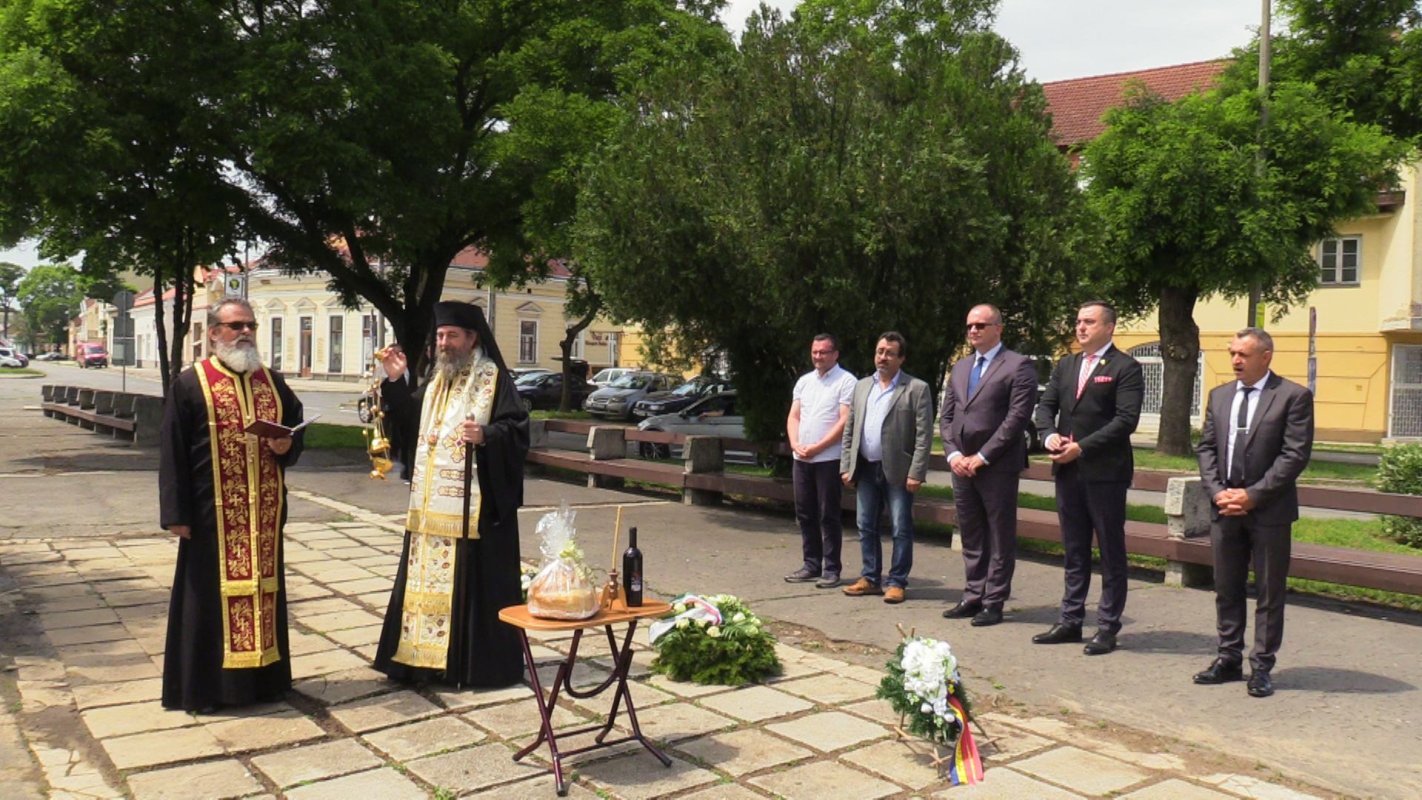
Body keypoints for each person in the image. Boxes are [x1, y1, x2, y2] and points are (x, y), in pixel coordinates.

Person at [373, 301, 529, 687]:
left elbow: (519, 429)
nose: (444, 343)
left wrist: (487, 435)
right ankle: (419, 662)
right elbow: (409, 428)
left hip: (474, 512)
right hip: (429, 510)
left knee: (472, 587)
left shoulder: (492, 378)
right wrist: (396, 382)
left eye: (451, 336)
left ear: (472, 338)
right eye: (440, 336)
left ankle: (467, 665)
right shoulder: (436, 380)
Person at [159, 298, 304, 712]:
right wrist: (175, 514)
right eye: (235, 325)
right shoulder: (191, 382)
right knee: (207, 600)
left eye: (250, 326)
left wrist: (286, 445)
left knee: (264, 593)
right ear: (213, 333)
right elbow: (172, 451)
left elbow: (294, 427)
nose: (244, 332)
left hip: (263, 514)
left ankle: (264, 681)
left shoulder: (271, 381)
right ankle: (207, 689)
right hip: (210, 514)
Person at [1193, 328, 1313, 698]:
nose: (1235, 361)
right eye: (1232, 353)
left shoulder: (1292, 397)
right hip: (1225, 506)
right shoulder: (1220, 396)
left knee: (1267, 591)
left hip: (1268, 511)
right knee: (1226, 587)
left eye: (1244, 354)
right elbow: (1207, 448)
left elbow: (1294, 455)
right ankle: (1228, 658)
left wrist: (1253, 495)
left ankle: (1261, 666)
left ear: (1266, 356)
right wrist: (1217, 493)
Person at [1032, 301, 1143, 655]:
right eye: (1078, 321)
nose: (1080, 328)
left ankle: (1108, 627)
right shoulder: (1067, 365)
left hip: (1105, 473)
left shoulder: (1126, 367)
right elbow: (1046, 407)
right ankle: (1071, 619)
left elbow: (1125, 421)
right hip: (1068, 471)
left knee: (1110, 550)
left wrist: (1081, 448)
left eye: (1089, 322)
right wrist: (1049, 435)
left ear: (1109, 327)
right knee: (1074, 548)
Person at [939, 304, 1038, 626]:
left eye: (981, 325)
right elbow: (948, 416)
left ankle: (994, 600)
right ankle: (972, 595)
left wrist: (982, 457)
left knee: (999, 533)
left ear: (998, 328)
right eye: (969, 326)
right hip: (961, 465)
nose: (973, 331)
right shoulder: (961, 367)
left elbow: (1016, 419)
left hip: (996, 465)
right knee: (971, 532)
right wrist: (954, 454)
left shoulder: (1018, 366)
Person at [839, 332, 934, 604]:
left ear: (901, 358)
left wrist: (917, 472)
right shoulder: (861, 386)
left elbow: (924, 436)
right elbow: (850, 430)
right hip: (866, 468)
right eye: (880, 351)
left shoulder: (916, 388)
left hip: (899, 471)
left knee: (900, 527)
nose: (883, 357)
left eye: (890, 353)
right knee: (865, 525)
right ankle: (870, 578)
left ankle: (897, 582)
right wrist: (847, 465)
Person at [784, 334, 857, 589]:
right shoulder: (804, 382)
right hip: (802, 457)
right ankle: (811, 564)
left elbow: (844, 420)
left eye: (823, 352)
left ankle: (831, 568)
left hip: (828, 457)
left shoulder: (846, 381)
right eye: (815, 352)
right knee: (805, 512)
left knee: (829, 514)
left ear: (835, 354)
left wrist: (818, 447)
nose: (818, 357)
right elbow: (794, 416)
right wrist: (795, 443)